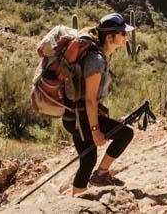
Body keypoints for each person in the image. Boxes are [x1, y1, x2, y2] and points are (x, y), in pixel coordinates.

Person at [63, 12, 136, 196]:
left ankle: (76, 199)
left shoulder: (102, 56)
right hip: (81, 118)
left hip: (75, 116)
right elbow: (90, 99)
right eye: (122, 33)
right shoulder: (96, 60)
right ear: (110, 37)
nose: (125, 36)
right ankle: (101, 174)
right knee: (125, 134)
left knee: (87, 161)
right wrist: (96, 131)